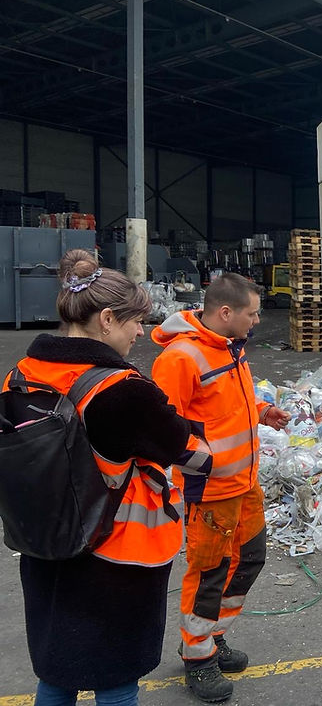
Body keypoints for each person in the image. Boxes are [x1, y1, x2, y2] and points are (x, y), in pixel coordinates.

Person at [3, 250, 192, 706]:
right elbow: (178, 443)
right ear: (107, 320)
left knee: (57, 672)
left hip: (44, 544)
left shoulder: (20, 376)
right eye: (135, 322)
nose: (141, 332)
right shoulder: (121, 390)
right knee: (116, 679)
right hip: (114, 555)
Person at [151, 273, 290, 703]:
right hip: (210, 491)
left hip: (244, 485)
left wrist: (262, 411)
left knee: (249, 559)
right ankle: (197, 657)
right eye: (253, 313)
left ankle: (211, 637)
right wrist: (206, 463)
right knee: (209, 573)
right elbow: (164, 429)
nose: (258, 320)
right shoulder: (181, 359)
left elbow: (227, 407)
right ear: (226, 313)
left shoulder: (230, 347)